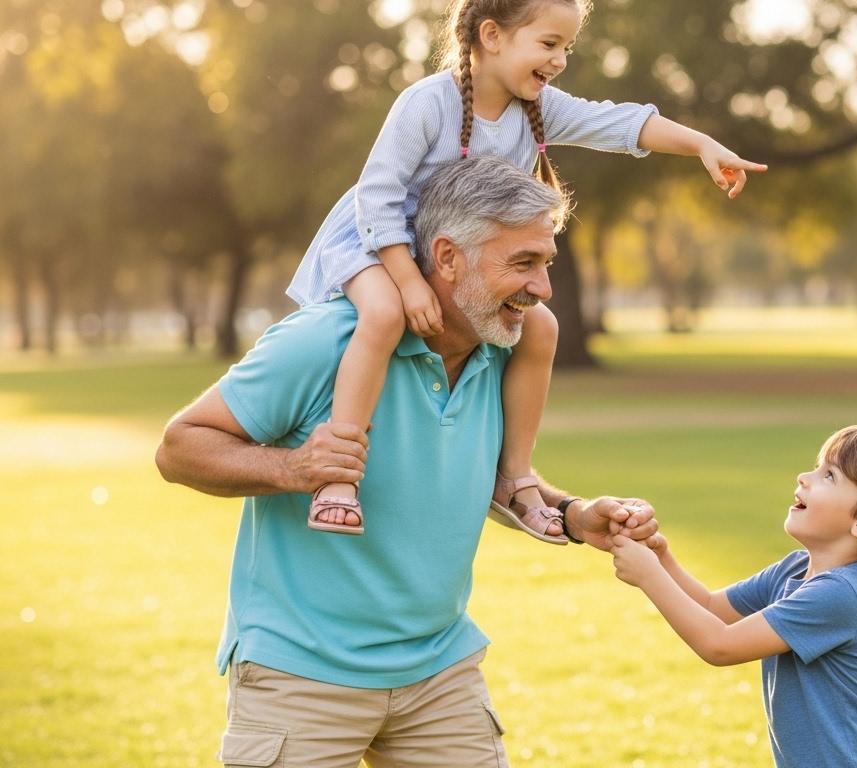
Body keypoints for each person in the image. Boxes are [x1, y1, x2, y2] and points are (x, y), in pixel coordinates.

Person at [156, 155, 658, 768]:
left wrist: (575, 516)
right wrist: (294, 469)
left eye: (545, 263)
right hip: (301, 675)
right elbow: (179, 447)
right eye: (522, 263)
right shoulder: (325, 342)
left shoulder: (504, 350)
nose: (543, 288)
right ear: (446, 258)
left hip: (439, 672)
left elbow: (498, 481)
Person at [292, 0, 767, 540]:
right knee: (382, 315)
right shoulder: (426, 103)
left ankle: (514, 478)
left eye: (566, 47)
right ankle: (336, 476)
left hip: (450, 255)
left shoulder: (537, 107)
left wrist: (702, 144)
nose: (561, 59)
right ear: (492, 35)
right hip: (381, 242)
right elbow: (376, 199)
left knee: (542, 327)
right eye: (548, 44)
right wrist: (405, 282)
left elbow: (622, 123)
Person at [609, 425, 857, 768]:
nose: (805, 476)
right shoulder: (795, 570)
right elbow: (712, 608)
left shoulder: (844, 594)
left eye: (829, 476)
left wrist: (648, 575)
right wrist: (660, 556)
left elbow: (719, 645)